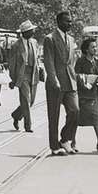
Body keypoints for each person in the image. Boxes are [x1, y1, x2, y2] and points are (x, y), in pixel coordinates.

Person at [43, 11, 79, 156]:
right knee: (54, 115)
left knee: (75, 111)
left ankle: (65, 139)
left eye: (70, 21)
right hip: (56, 83)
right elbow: (49, 61)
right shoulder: (50, 39)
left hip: (70, 81)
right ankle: (54, 146)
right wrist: (54, 80)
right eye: (66, 21)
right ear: (58, 22)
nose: (69, 24)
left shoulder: (71, 39)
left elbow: (72, 61)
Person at [10, 20, 43, 133]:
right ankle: (28, 125)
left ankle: (16, 115)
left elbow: (37, 58)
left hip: (33, 73)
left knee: (31, 101)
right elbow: (12, 64)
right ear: (25, 32)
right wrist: (13, 79)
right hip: (22, 74)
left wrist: (40, 69)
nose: (33, 32)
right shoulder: (16, 45)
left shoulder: (34, 42)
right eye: (31, 30)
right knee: (26, 99)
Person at [75, 37, 98, 153]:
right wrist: (87, 79)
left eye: (95, 47)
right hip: (83, 95)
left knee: (97, 119)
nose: (95, 49)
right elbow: (76, 75)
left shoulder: (96, 61)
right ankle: (73, 142)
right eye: (93, 47)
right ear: (87, 50)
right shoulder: (81, 61)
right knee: (77, 119)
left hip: (94, 94)